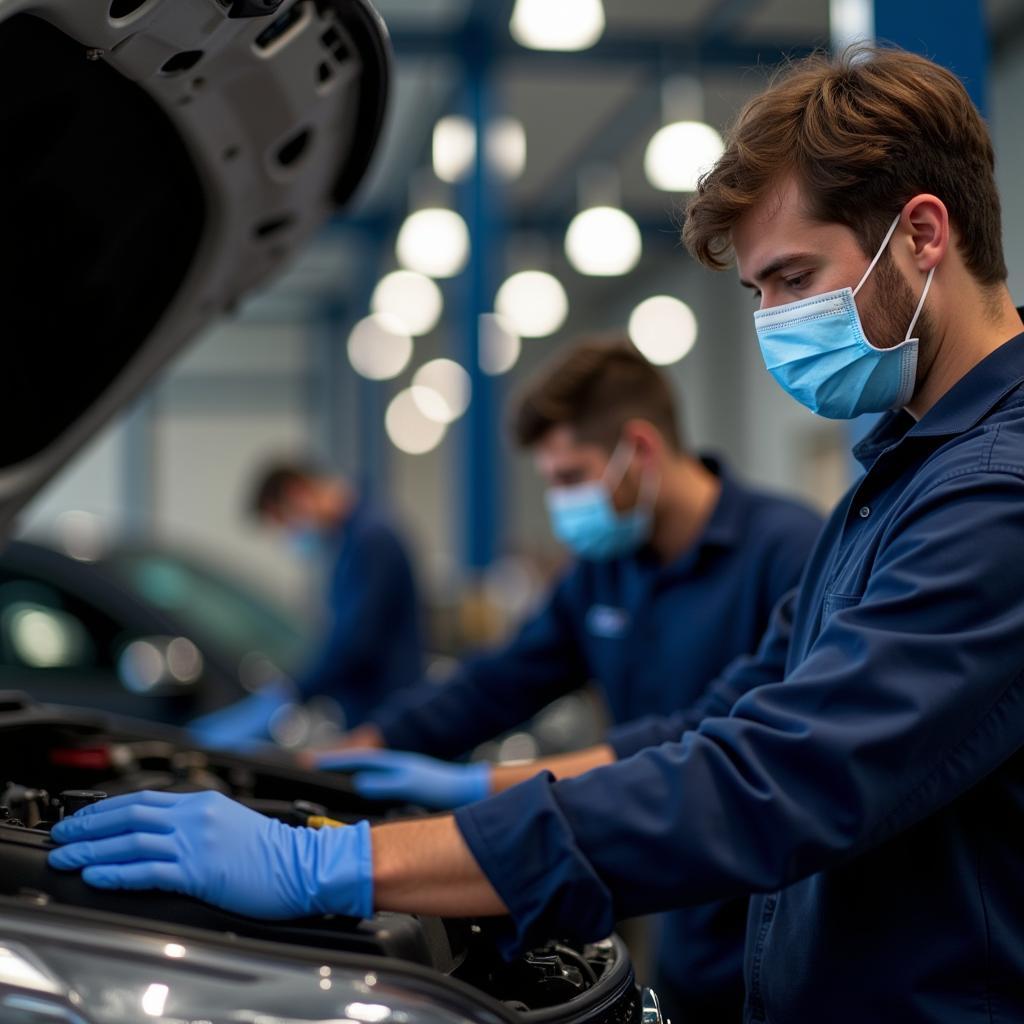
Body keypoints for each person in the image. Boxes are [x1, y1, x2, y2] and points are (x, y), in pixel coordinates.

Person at [46, 45, 1024, 1023]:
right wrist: (476, 787)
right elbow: (719, 721)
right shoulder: (896, 478)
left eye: (791, 277)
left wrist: (337, 864)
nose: (770, 320)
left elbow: (773, 778)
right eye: (757, 290)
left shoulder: (992, 502)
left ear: (922, 233)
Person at [308, 338, 823, 1023]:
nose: (559, 500)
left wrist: (480, 787)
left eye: (571, 475)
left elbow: (708, 735)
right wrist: (370, 745)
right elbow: (501, 680)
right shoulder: (604, 572)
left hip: (789, 918)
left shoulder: (791, 554)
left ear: (638, 448)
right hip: (684, 918)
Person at [188, 463, 423, 747]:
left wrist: (294, 689)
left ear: (296, 494)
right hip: (370, 708)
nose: (290, 535)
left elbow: (355, 642)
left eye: (284, 523)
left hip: (384, 709)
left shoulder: (372, 540)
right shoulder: (352, 540)